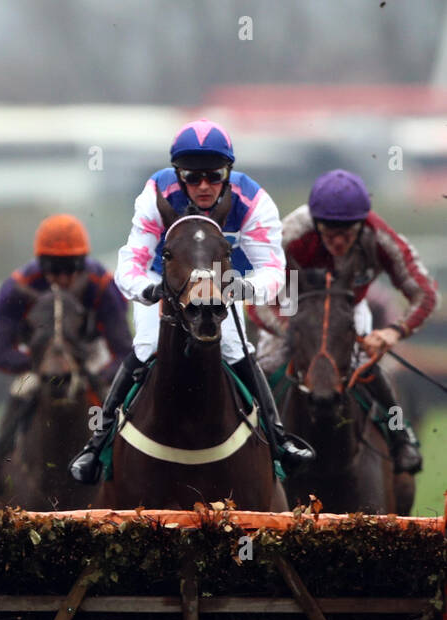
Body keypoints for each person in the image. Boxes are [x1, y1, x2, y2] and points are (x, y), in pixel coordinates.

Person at [68, 119, 314, 484]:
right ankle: (97, 443)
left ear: (228, 173)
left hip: (223, 287)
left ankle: (278, 439)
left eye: (213, 176)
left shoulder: (253, 200)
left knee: (235, 348)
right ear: (178, 174)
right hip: (166, 284)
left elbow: (272, 268)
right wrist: (150, 291)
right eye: (192, 177)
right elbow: (132, 260)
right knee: (149, 342)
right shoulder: (157, 192)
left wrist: (239, 289)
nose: (203, 186)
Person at [255, 170, 437, 474]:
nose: (338, 241)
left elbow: (425, 294)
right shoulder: (290, 234)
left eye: (347, 234)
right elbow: (256, 297)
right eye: (329, 233)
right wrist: (291, 330)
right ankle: (254, 441)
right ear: (315, 224)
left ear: (363, 224)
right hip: (294, 309)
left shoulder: (379, 236)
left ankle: (400, 434)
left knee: (373, 370)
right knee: (267, 367)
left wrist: (394, 332)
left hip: (347, 313)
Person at [0, 214, 130, 488]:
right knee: (21, 391)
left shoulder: (102, 285)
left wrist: (96, 375)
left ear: (83, 262)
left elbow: (123, 351)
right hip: (39, 357)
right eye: (53, 267)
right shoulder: (15, 288)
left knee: (115, 398)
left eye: (71, 267)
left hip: (91, 352)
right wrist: (38, 364)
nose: (63, 277)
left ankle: (128, 465)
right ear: (40, 263)